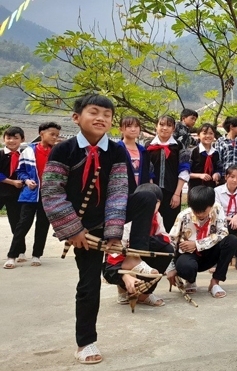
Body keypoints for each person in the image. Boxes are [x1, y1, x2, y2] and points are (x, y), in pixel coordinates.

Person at [41, 94, 158, 364]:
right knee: (89, 284)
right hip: (82, 227)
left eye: (107, 114)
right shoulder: (63, 150)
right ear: (76, 117)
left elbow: (119, 193)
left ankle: (133, 257)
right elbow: (52, 193)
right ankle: (86, 343)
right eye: (94, 112)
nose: (101, 118)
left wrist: (115, 236)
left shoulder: (116, 151)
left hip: (110, 218)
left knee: (147, 195)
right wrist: (73, 229)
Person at [103, 183, 173, 307]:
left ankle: (145, 293)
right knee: (112, 266)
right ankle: (123, 288)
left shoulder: (157, 216)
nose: (151, 206)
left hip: (141, 255)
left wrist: (146, 242)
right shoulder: (126, 220)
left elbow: (166, 237)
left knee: (167, 249)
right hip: (120, 258)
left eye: (155, 202)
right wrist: (124, 274)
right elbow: (114, 253)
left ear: (160, 203)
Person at [166, 185, 237, 298]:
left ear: (211, 205)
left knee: (231, 241)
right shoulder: (183, 216)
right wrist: (170, 268)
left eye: (203, 211)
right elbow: (171, 241)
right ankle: (190, 280)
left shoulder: (217, 209)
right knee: (185, 266)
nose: (200, 214)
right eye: (196, 211)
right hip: (188, 255)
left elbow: (223, 233)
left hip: (210, 254)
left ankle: (215, 282)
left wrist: (197, 244)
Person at [5, 122, 60, 269]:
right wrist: (27, 180)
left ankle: (37, 255)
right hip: (30, 194)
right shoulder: (28, 151)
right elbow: (20, 171)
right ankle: (12, 256)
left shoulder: (58, 152)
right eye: (52, 134)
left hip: (48, 195)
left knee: (43, 225)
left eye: (57, 135)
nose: (55, 138)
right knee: (22, 225)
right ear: (42, 134)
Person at [147, 115, 191, 231]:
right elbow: (148, 170)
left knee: (171, 226)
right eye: (161, 124)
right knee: (150, 224)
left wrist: (177, 194)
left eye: (169, 125)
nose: (165, 128)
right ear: (156, 126)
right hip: (152, 192)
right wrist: (152, 193)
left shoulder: (179, 146)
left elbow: (184, 170)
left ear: (174, 128)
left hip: (172, 192)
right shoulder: (148, 146)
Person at [0, 126, 25, 260]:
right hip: (1, 191)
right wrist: (12, 182)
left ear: (22, 139)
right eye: (8, 138)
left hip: (16, 194)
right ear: (4, 139)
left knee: (16, 223)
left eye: (15, 138)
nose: (11, 141)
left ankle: (20, 250)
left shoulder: (24, 155)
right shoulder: (0, 154)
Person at [118, 116, 152, 194]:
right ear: (121, 129)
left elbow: (149, 173)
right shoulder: (117, 149)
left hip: (142, 193)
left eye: (136, 126)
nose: (133, 129)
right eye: (129, 126)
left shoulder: (143, 151)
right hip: (121, 193)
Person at [189, 123, 220, 189]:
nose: (208, 136)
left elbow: (219, 169)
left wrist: (217, 174)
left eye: (211, 133)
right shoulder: (193, 152)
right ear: (198, 135)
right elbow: (185, 173)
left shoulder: (216, 153)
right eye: (205, 133)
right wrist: (199, 175)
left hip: (211, 189)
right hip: (195, 189)